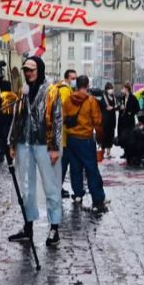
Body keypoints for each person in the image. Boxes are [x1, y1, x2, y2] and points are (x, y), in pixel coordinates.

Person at [7, 56, 63, 247]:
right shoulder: (23, 92)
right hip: (25, 143)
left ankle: (54, 226)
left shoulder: (51, 91)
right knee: (26, 187)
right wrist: (13, 142)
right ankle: (28, 225)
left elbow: (57, 120)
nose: (29, 73)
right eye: (26, 70)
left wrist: (55, 147)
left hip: (44, 145)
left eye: (32, 69)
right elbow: (17, 117)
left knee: (51, 186)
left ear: (39, 69)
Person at [63, 75, 108, 212]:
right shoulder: (90, 101)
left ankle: (77, 194)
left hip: (71, 138)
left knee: (75, 168)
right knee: (91, 169)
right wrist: (100, 137)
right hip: (86, 139)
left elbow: (63, 117)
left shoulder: (68, 100)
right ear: (87, 85)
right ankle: (97, 200)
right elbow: (97, 121)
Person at [55, 70, 76, 198]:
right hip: (63, 133)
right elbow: (63, 109)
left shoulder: (61, 87)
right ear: (67, 78)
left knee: (62, 162)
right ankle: (58, 188)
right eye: (73, 78)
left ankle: (58, 187)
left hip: (61, 132)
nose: (75, 80)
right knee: (63, 162)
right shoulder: (65, 90)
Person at [0, 80, 18, 163]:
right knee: (11, 137)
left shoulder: (1, 95)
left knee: (3, 138)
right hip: (12, 119)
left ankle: (2, 155)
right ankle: (13, 154)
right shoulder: (14, 95)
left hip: (2, 119)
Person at [117, 83, 140, 162]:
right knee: (123, 136)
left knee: (129, 137)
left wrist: (131, 112)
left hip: (129, 121)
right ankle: (125, 152)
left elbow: (137, 108)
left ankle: (130, 154)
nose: (122, 90)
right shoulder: (122, 98)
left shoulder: (133, 98)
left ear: (126, 89)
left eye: (123, 88)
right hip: (122, 120)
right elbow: (119, 107)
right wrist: (120, 108)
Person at [98, 82, 117, 158]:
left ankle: (109, 151)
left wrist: (113, 107)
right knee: (104, 135)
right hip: (105, 119)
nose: (111, 90)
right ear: (106, 89)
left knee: (111, 135)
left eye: (111, 88)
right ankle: (102, 150)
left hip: (112, 119)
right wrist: (109, 107)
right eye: (109, 88)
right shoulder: (103, 96)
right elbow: (103, 106)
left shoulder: (113, 97)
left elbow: (115, 106)